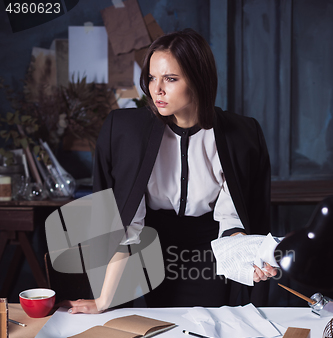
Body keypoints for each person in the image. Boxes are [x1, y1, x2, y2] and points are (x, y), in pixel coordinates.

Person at [67, 28, 276, 314]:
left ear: (199, 80)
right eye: (152, 78)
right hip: (151, 245)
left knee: (209, 332)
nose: (157, 89)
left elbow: (232, 218)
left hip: (210, 248)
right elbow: (127, 225)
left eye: (170, 79)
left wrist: (248, 256)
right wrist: (104, 300)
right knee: (159, 334)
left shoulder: (242, 135)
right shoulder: (127, 132)